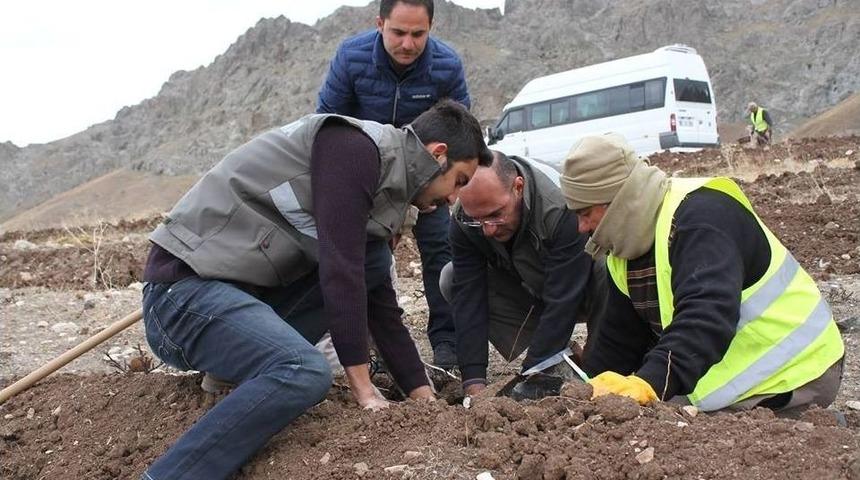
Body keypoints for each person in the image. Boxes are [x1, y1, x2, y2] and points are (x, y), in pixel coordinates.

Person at [139, 99, 492, 480]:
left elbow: (381, 309)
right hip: (182, 297)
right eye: (458, 181)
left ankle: (232, 372)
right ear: (438, 155)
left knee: (374, 262)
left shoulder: (386, 190)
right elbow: (341, 272)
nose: (453, 199)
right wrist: (365, 390)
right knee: (303, 370)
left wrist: (424, 399)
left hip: (238, 302)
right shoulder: (353, 148)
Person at [559, 132, 844, 413]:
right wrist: (586, 394)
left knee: (669, 425)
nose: (581, 228)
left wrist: (649, 383)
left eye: (585, 214)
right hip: (730, 371)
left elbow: (705, 318)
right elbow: (618, 339)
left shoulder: (700, 220)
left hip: (798, 369)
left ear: (619, 202)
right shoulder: (623, 249)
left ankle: (807, 425)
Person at [317, 0, 470, 368]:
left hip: (428, 183)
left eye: (418, 34)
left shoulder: (447, 65)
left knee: (440, 251)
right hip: (368, 183)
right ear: (380, 23)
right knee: (370, 259)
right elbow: (327, 125)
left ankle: (447, 343)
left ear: (431, 28)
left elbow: (462, 135)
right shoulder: (352, 58)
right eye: (398, 32)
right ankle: (372, 346)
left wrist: (437, 190)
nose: (407, 44)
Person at [441, 151, 604, 397]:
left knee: (605, 270)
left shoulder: (559, 205)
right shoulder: (464, 218)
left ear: (518, 187)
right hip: (530, 285)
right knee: (450, 277)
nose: (487, 230)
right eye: (479, 220)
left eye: (496, 215)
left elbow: (563, 298)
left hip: (581, 285)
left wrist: (530, 376)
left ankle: (595, 362)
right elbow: (468, 294)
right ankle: (558, 355)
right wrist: (473, 383)